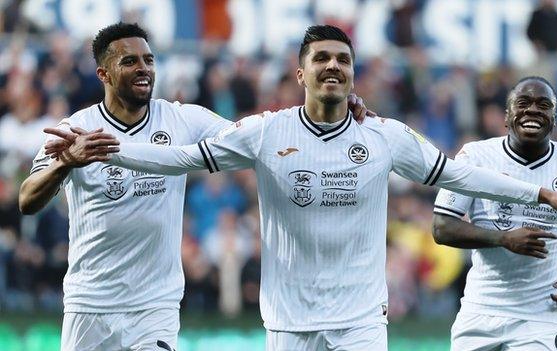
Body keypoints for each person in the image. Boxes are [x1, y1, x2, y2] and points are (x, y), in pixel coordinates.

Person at [44, 26, 557, 351]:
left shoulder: (384, 135)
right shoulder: (266, 133)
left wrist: (541, 195)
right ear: (302, 73)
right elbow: (179, 159)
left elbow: (455, 174)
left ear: (353, 74)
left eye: (342, 59)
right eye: (322, 59)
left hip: (361, 321)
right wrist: (102, 149)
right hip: (288, 321)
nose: (333, 66)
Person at [19, 23, 370, 351]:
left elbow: (257, 140)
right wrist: (65, 163)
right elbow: (27, 200)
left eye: (149, 60)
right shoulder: (77, 129)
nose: (144, 68)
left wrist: (336, 104)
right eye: (130, 61)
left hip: (155, 305)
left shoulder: (182, 119)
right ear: (104, 74)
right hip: (89, 302)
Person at [432, 76, 557, 351]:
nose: (533, 110)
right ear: (507, 116)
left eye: (543, 104)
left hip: (540, 317)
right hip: (480, 310)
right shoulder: (474, 158)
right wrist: (504, 239)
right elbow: (442, 227)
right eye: (523, 103)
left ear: (554, 117)